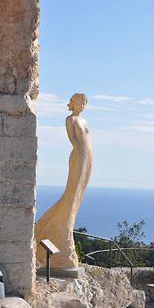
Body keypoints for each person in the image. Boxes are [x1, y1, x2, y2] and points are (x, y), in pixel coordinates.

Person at [35, 93, 92, 268]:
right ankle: (49, 231)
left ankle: (58, 234)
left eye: (83, 103)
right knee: (71, 196)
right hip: (78, 156)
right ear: (73, 103)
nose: (81, 105)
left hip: (88, 157)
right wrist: (81, 154)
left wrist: (86, 154)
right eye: (79, 102)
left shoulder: (84, 121)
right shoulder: (71, 120)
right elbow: (74, 141)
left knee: (77, 196)